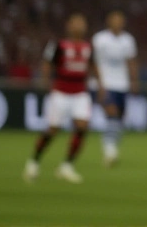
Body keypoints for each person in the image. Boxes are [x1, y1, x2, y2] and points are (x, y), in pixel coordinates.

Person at [25, 13, 102, 185]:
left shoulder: (88, 47)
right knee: (52, 130)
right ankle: (34, 161)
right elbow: (47, 63)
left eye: (82, 23)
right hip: (60, 92)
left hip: (80, 92)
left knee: (82, 127)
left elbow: (94, 66)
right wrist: (45, 82)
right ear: (69, 26)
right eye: (76, 23)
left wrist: (101, 84)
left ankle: (67, 166)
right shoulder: (58, 45)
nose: (79, 27)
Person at [91, 10, 138, 166]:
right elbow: (94, 63)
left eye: (120, 20)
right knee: (112, 113)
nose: (118, 23)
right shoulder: (99, 39)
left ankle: (110, 146)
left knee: (119, 119)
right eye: (115, 20)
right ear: (108, 21)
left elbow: (131, 62)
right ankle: (110, 150)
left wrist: (134, 81)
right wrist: (99, 84)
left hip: (122, 84)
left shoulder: (128, 40)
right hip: (106, 83)